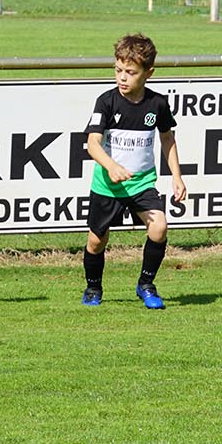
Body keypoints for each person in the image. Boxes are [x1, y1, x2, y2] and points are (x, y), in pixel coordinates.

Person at [81, 33, 187, 309]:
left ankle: (146, 284)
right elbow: (92, 144)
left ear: (148, 73)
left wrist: (177, 177)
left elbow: (167, 138)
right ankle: (93, 287)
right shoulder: (106, 102)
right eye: (118, 70)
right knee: (96, 241)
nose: (122, 78)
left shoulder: (157, 104)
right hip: (107, 186)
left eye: (130, 72)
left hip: (142, 184)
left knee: (159, 227)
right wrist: (112, 166)